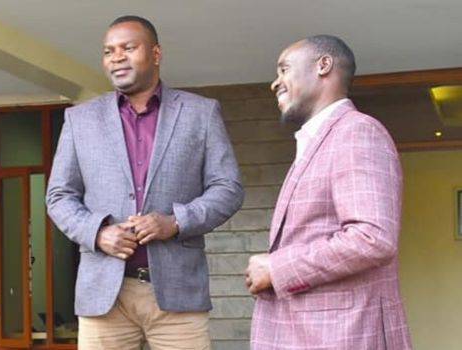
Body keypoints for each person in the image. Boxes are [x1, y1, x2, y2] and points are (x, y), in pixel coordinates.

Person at [46, 15, 243, 349]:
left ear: (156, 54)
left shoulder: (201, 112)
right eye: (109, 51)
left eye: (128, 47)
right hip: (105, 295)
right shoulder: (80, 119)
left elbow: (228, 188)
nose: (116, 57)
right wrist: (97, 232)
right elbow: (59, 196)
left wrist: (176, 222)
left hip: (178, 295)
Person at [245, 35, 412, 349]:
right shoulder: (320, 139)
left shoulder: (357, 131)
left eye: (284, 69)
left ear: (323, 65)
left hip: (342, 335)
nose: (275, 82)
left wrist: (277, 267)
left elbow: (372, 238)